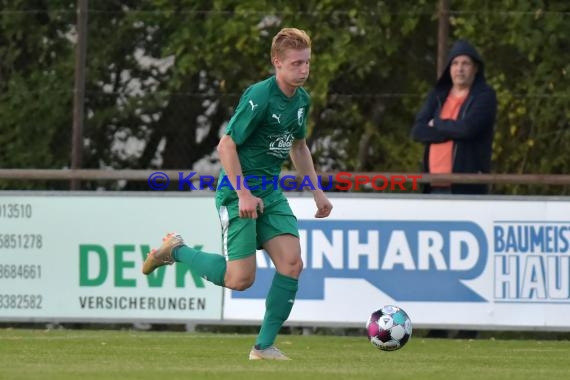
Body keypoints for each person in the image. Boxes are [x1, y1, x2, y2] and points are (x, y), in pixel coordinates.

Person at [142, 27, 333, 360]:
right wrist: (244, 194)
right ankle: (176, 250)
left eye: (307, 63)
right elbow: (226, 144)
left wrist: (317, 192)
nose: (304, 70)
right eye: (296, 63)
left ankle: (264, 347)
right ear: (277, 62)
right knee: (239, 279)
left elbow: (299, 146)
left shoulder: (301, 101)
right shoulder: (260, 96)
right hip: (236, 192)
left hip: (270, 193)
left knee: (292, 263)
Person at [411, 39, 497, 194]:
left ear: (476, 68)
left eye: (466, 63)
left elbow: (468, 128)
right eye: (455, 63)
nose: (460, 69)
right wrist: (452, 132)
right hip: (432, 185)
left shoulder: (485, 96)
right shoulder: (437, 96)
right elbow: (417, 131)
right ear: (449, 68)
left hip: (466, 186)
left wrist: (436, 124)